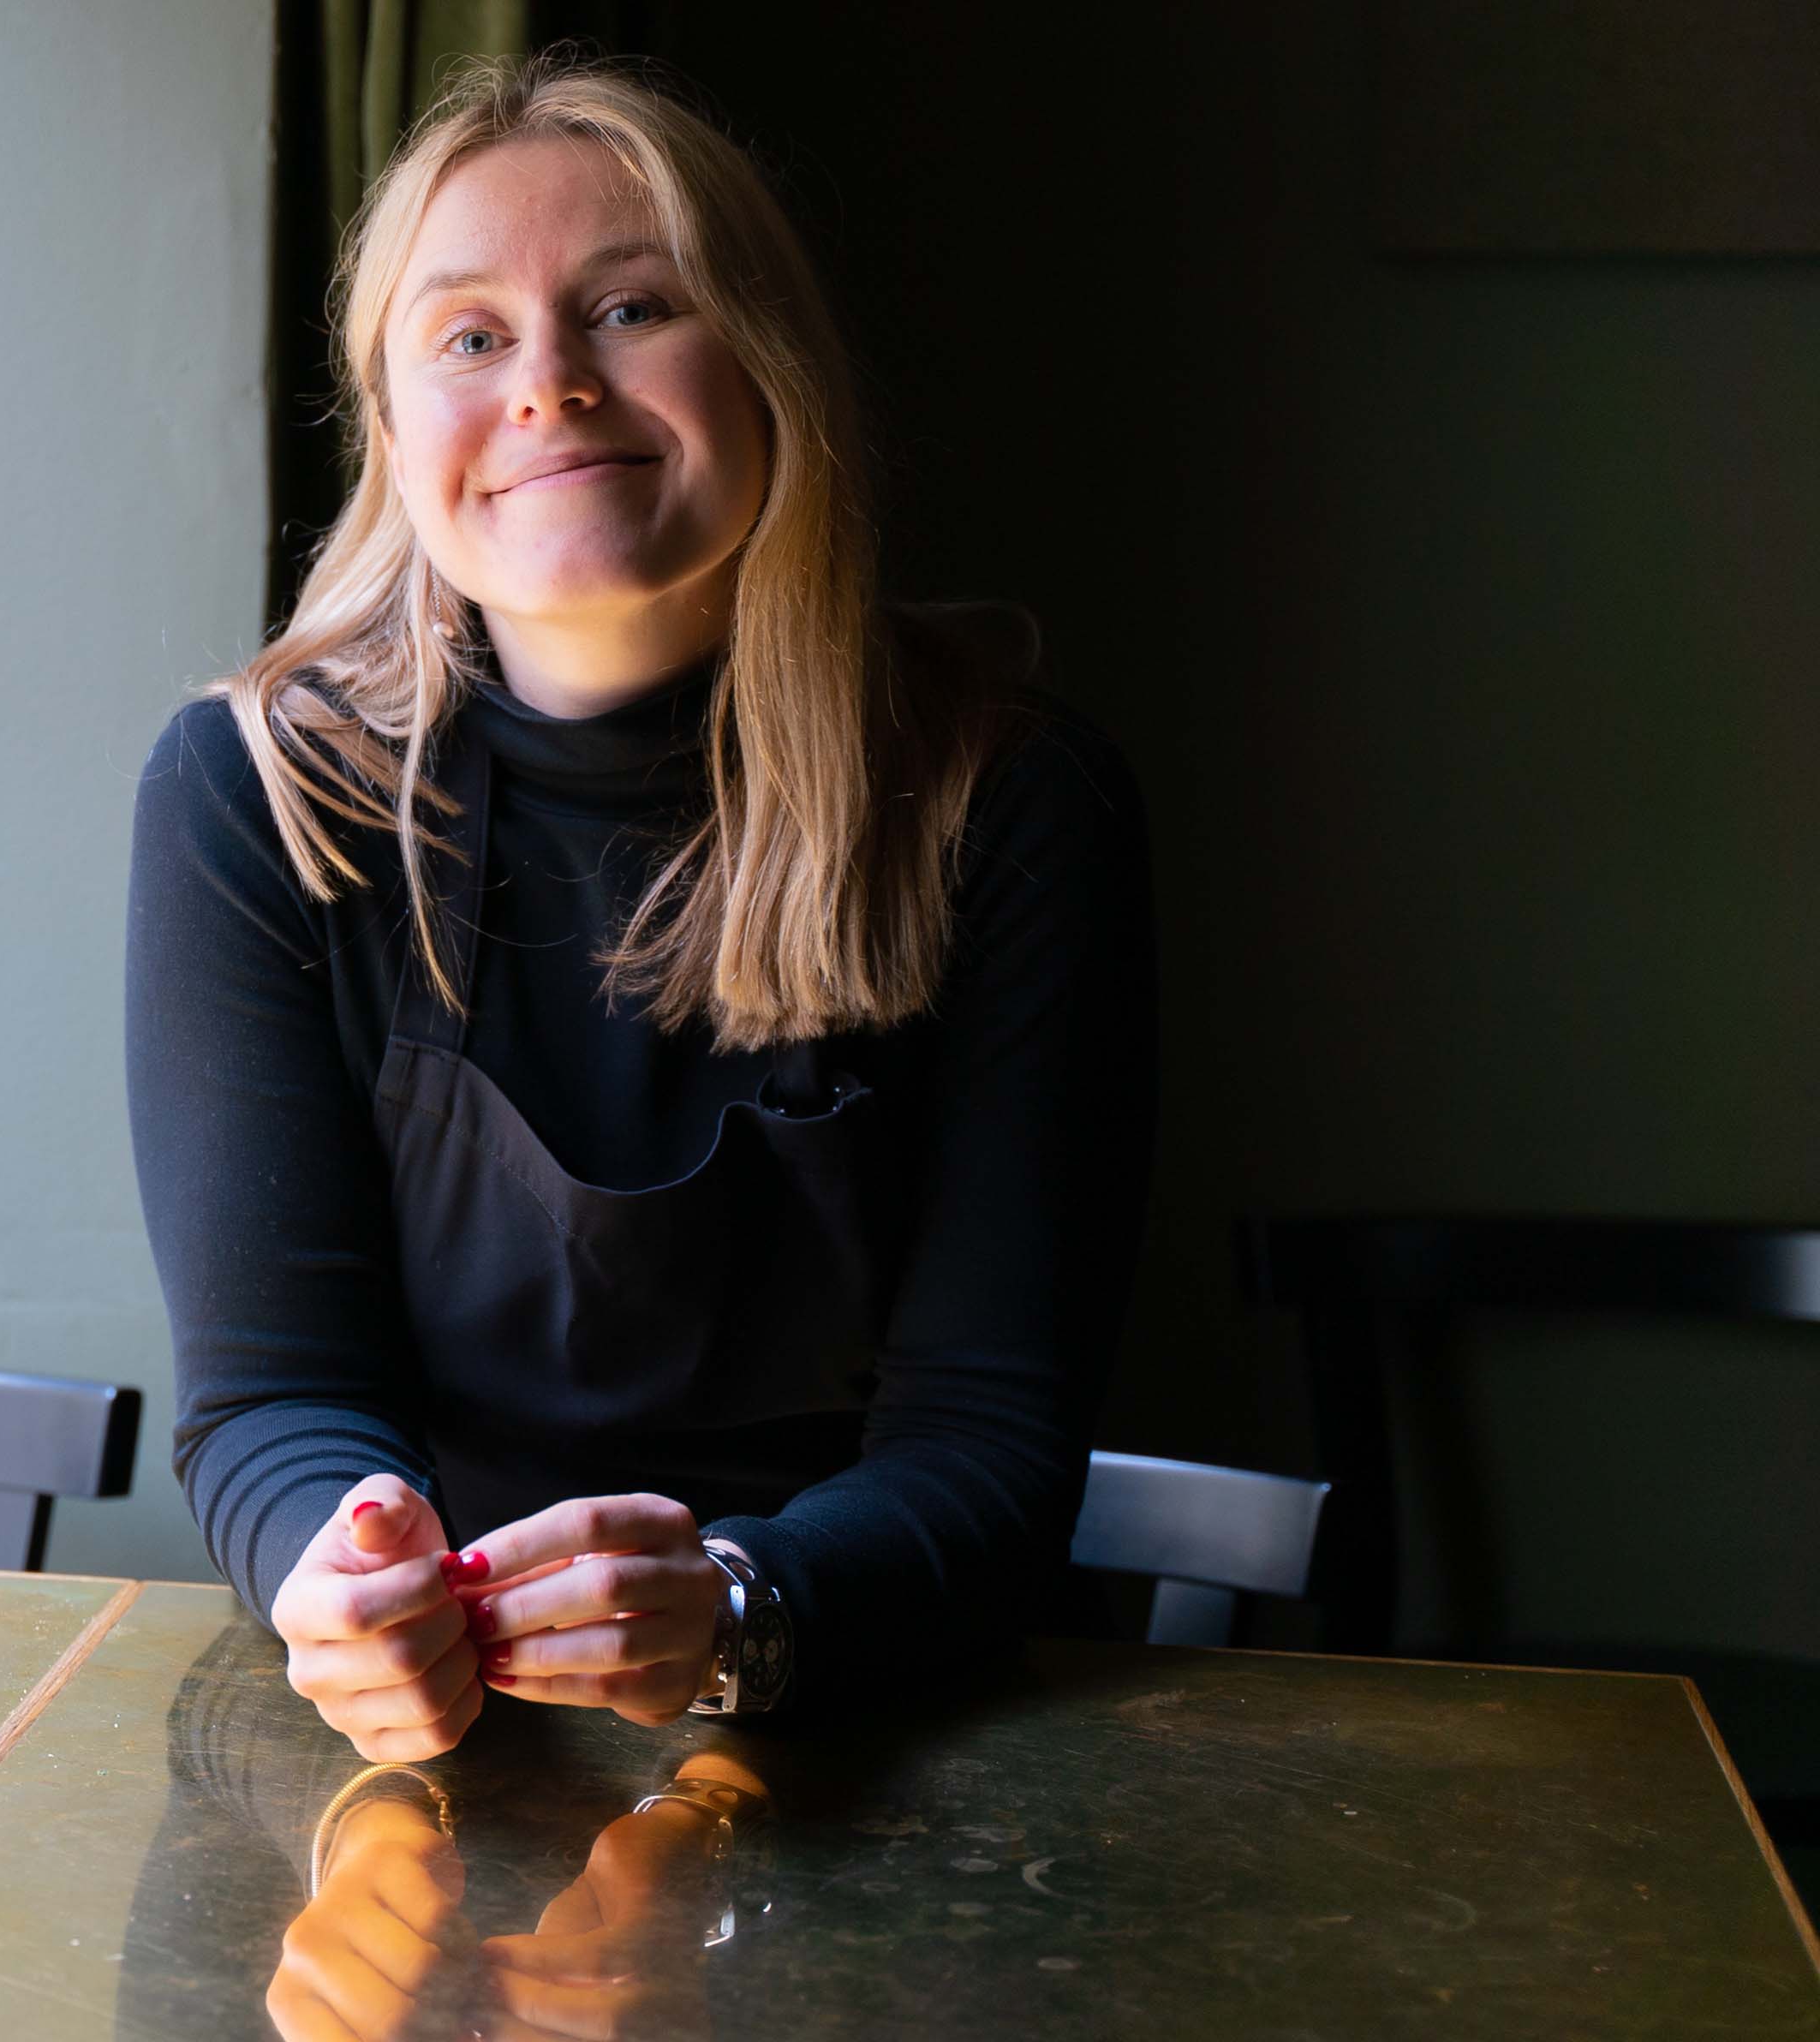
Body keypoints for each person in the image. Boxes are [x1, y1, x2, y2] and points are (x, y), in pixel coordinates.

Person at [124, 56, 1158, 1761]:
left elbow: (988, 1432)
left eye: (628, 305)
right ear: (392, 431)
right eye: (466, 335)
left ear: (768, 367)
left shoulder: (1011, 801)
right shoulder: (248, 792)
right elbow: (268, 1395)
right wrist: (336, 1576)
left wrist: (742, 1609)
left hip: (866, 1722)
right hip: (423, 1744)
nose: (546, 385)